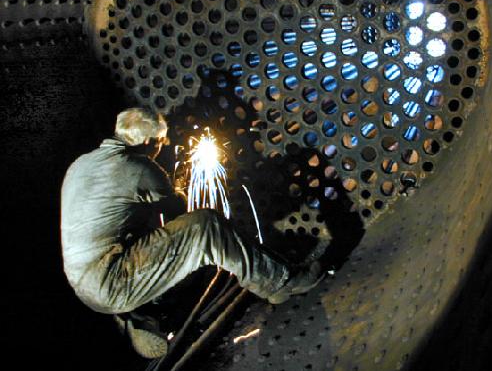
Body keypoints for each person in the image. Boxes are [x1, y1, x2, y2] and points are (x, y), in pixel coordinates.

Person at [61, 107, 323, 358]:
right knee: (206, 226)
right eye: (161, 141)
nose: (163, 146)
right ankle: (281, 282)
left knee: (154, 237)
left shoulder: (81, 164)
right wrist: (179, 186)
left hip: (84, 287)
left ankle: (139, 316)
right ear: (149, 141)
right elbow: (179, 210)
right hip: (113, 280)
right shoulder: (137, 168)